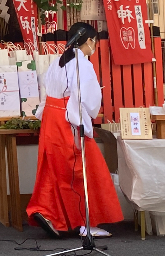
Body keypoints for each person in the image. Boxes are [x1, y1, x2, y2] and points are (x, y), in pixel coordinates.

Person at [28, 22, 123, 238]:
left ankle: (52, 213)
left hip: (52, 118)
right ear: (89, 41)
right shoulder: (82, 65)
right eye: (95, 42)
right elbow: (87, 100)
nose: (95, 46)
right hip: (68, 119)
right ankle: (83, 222)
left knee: (54, 168)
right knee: (80, 170)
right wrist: (84, 119)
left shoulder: (58, 62)